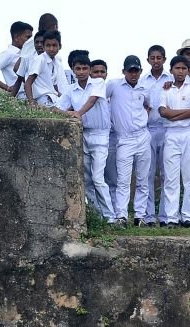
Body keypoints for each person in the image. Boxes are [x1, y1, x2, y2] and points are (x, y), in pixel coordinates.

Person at [59, 54, 113, 221]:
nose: (81, 72)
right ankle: (97, 216)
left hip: (100, 135)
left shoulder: (97, 82)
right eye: (78, 68)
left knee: (98, 178)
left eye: (84, 68)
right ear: (73, 70)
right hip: (83, 134)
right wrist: (69, 113)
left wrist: (77, 113)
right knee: (87, 180)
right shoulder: (71, 89)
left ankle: (110, 217)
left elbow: (92, 100)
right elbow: (57, 109)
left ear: (89, 70)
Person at [155, 55, 190, 227]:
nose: (181, 71)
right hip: (172, 134)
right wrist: (185, 112)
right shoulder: (166, 89)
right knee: (171, 177)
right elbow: (163, 112)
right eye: (177, 68)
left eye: (184, 68)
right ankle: (171, 217)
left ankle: (188, 217)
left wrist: (175, 115)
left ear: (187, 70)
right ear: (171, 70)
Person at [108, 56, 153, 226]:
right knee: (123, 180)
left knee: (143, 179)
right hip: (124, 138)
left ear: (140, 71)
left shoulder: (144, 88)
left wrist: (143, 119)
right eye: (130, 71)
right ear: (124, 71)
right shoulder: (114, 86)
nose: (133, 74)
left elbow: (149, 105)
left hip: (142, 135)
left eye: (136, 71)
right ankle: (121, 215)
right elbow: (99, 98)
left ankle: (140, 216)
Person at [139, 45, 172, 224]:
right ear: (148, 60)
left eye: (159, 58)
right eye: (153, 58)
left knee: (167, 173)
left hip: (167, 127)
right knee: (148, 174)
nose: (156, 61)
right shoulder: (143, 81)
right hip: (149, 128)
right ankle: (149, 215)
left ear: (164, 59)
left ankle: (166, 215)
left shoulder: (172, 79)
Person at [92, 59, 120, 217]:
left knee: (112, 177)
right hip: (94, 137)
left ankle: (115, 212)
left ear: (106, 74)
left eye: (102, 72)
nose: (99, 75)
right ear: (90, 73)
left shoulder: (109, 92)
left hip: (112, 138)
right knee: (95, 178)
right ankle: (99, 213)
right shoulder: (89, 93)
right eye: (96, 72)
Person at [0, 21, 32, 96]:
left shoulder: (25, 54)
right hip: (21, 94)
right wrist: (7, 88)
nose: (31, 41)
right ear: (16, 38)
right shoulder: (9, 53)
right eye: (28, 37)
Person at [21, 30, 66, 106]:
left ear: (60, 46)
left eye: (54, 45)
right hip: (42, 99)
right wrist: (31, 102)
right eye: (48, 45)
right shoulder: (40, 60)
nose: (51, 49)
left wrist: (64, 98)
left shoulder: (56, 62)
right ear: (44, 47)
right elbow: (27, 83)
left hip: (53, 97)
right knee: (62, 111)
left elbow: (54, 87)